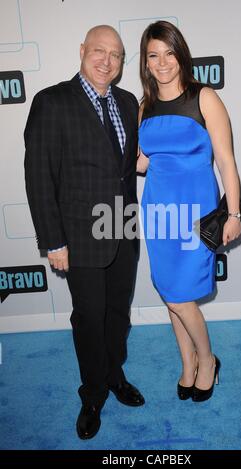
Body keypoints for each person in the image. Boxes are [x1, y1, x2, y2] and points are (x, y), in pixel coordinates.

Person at [24, 25, 144, 440]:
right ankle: (92, 394)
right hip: (78, 236)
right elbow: (39, 176)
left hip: (123, 230)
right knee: (89, 318)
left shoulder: (129, 103)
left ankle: (114, 375)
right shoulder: (52, 101)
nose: (106, 61)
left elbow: (128, 168)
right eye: (99, 51)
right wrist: (53, 241)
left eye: (115, 54)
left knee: (117, 315)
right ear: (82, 51)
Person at [137, 21, 241, 402]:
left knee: (181, 295)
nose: (162, 62)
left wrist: (232, 215)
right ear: (145, 63)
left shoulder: (205, 97)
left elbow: (227, 162)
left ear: (180, 55)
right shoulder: (145, 105)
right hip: (158, 212)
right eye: (153, 55)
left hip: (197, 213)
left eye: (168, 53)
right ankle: (188, 365)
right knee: (170, 293)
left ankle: (208, 361)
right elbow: (142, 162)